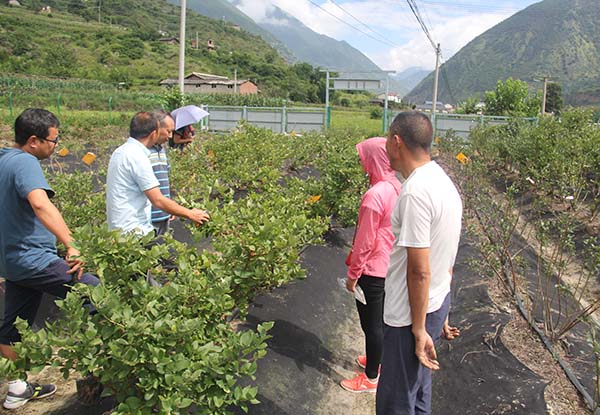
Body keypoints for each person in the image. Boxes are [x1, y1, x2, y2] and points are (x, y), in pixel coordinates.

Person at [0, 108, 100, 410]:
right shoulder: (25, 162)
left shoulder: (3, 159)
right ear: (34, 140)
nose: (56, 146)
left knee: (13, 325)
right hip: (33, 259)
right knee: (95, 293)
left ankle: (17, 388)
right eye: (53, 141)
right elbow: (40, 204)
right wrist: (71, 244)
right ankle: (103, 366)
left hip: (13, 262)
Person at [376, 111, 462, 415]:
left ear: (397, 141)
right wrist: (441, 312)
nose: (385, 145)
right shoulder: (443, 182)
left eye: (387, 138)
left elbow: (419, 269)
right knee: (418, 393)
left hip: (408, 318)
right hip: (434, 304)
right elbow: (448, 254)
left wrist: (418, 329)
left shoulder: (415, 192)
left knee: (396, 402)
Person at [340, 137, 401, 393]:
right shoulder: (397, 186)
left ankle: (371, 378)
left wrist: (354, 274)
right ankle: (377, 360)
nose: (363, 164)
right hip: (391, 267)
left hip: (372, 271)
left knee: (371, 325)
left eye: (365, 158)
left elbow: (365, 242)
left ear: (374, 159)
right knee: (382, 321)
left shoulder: (374, 195)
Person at [106, 111, 209, 236]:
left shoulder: (121, 151)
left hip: (123, 228)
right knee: (165, 254)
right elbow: (158, 200)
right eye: (168, 131)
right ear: (154, 133)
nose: (170, 136)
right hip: (134, 232)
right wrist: (191, 213)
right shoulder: (137, 157)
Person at [149, 111, 175, 236]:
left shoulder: (162, 150)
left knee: (162, 251)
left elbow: (165, 179)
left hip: (164, 213)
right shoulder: (142, 152)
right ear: (157, 129)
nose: (170, 136)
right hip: (148, 216)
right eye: (168, 131)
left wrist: (170, 208)